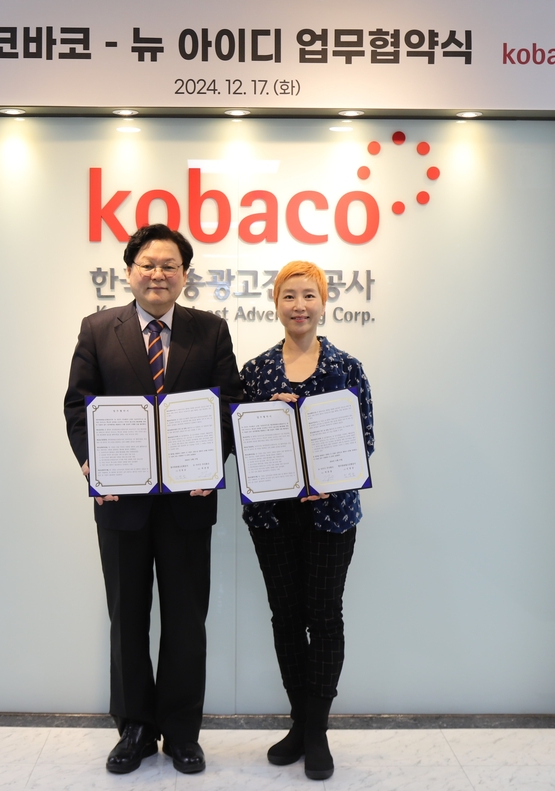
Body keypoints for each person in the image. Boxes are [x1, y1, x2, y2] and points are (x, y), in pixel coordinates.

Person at [64, 224, 243, 775]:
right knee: (128, 618)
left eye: (169, 265)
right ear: (129, 271)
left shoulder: (210, 330)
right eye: (148, 264)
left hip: (189, 499)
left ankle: (183, 732)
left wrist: (213, 462)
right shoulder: (98, 329)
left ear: (184, 275)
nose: (158, 274)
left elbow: (229, 406)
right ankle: (135, 729)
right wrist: (92, 464)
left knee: (187, 619)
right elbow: (77, 405)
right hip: (122, 500)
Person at [239, 261, 374, 781]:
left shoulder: (346, 368)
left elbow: (364, 441)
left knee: (325, 615)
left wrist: (329, 477)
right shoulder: (255, 372)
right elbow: (242, 444)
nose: (299, 305)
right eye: (289, 295)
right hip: (272, 517)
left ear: (323, 302)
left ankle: (315, 730)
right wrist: (270, 420)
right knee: (286, 617)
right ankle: (301, 721)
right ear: (275, 304)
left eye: (308, 295)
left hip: (330, 515)